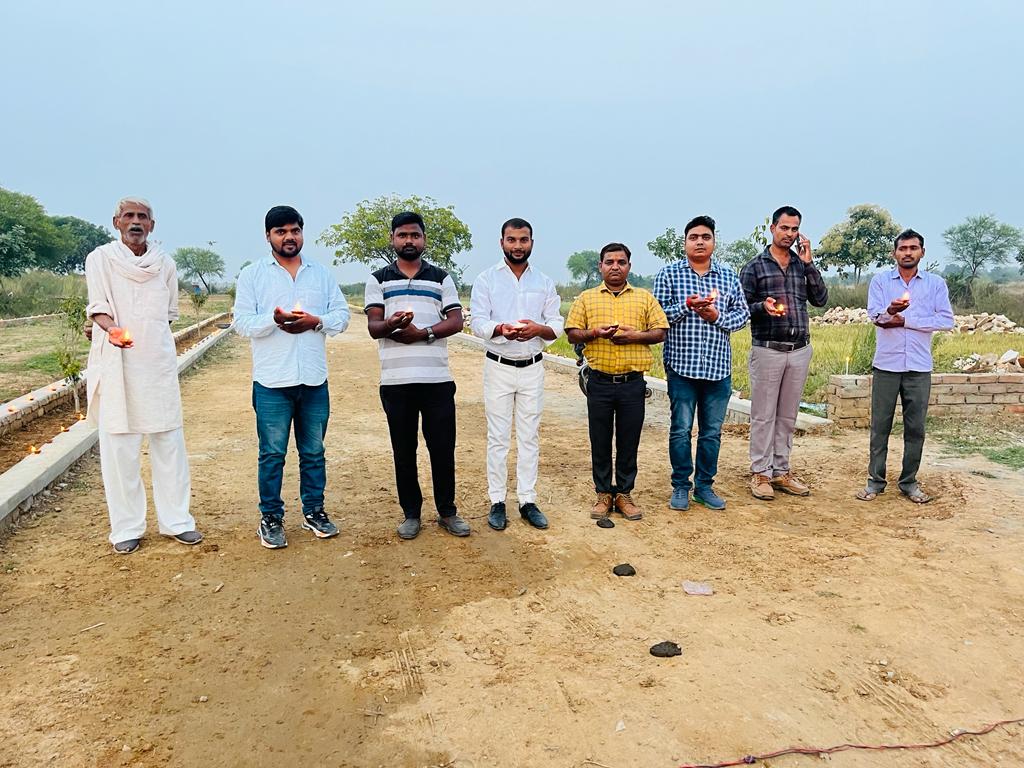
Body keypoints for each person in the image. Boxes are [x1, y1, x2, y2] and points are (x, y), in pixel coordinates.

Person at [84, 197, 202, 554]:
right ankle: (126, 528)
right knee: (120, 448)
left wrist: (146, 335)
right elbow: (98, 307)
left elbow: (168, 314)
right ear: (116, 222)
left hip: (157, 363)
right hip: (116, 363)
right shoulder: (100, 259)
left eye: (143, 217)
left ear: (152, 225)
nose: (136, 222)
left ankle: (177, 521)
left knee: (169, 443)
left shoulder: (165, 263)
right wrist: (111, 330)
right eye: (129, 216)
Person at [233, 205, 351, 549]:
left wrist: (316, 321)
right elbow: (241, 323)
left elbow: (342, 315)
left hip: (313, 380)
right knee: (272, 454)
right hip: (272, 382)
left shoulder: (320, 274)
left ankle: (314, 511)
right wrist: (273, 320)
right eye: (281, 231)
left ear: (302, 232)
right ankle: (270, 517)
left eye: (294, 230)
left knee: (314, 452)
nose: (289, 237)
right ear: (268, 236)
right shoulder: (253, 275)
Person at [365, 211, 470, 540]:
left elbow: (455, 321)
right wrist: (393, 324)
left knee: (443, 449)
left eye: (415, 235)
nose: (409, 240)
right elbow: (374, 327)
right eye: (402, 235)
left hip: (437, 380)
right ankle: (411, 514)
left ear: (424, 239)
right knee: (404, 450)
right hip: (396, 383)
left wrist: (422, 333)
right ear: (392, 239)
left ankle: (447, 512)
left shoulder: (441, 278)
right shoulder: (378, 279)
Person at [469, 218, 563, 531]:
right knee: (498, 438)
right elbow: (477, 322)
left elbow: (556, 323)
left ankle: (527, 500)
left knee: (529, 436)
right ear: (502, 243)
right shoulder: (486, 279)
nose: (518, 246)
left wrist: (538, 329)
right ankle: (497, 500)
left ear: (532, 243)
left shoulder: (544, 282)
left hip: (532, 367)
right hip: (498, 365)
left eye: (524, 240)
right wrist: (500, 328)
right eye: (512, 240)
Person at [653, 217, 749, 511]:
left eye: (705, 237)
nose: (699, 242)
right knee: (681, 429)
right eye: (693, 237)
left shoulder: (728, 276)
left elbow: (743, 316)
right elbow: (657, 316)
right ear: (685, 242)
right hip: (681, 366)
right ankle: (681, 485)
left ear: (713, 242)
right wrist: (687, 306)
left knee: (711, 433)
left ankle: (704, 486)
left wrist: (716, 317)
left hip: (718, 368)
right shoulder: (669, 274)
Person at [566, 243, 668, 520]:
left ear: (629, 267)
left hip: (632, 383)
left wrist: (634, 336)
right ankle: (603, 494)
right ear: (600, 266)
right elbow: (572, 333)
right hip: (598, 382)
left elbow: (660, 331)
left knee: (628, 440)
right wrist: (594, 333)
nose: (615, 267)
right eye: (609, 262)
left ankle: (623, 494)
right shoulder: (586, 298)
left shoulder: (644, 298)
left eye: (621, 262)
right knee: (599, 439)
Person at [857, 229, 953, 504]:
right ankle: (875, 482)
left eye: (913, 248)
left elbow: (946, 320)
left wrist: (907, 321)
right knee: (880, 427)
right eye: (903, 248)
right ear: (894, 253)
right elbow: (876, 317)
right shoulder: (881, 281)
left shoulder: (935, 284)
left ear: (922, 252)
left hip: (919, 367)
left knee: (915, 428)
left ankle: (909, 482)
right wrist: (891, 311)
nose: (908, 253)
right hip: (886, 365)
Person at [739, 205, 828, 501]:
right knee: (763, 415)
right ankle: (760, 473)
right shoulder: (755, 267)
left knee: (788, 416)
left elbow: (820, 299)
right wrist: (761, 307)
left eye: (794, 229)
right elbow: (740, 308)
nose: (789, 234)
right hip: (768, 349)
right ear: (772, 228)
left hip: (799, 349)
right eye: (784, 228)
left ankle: (781, 470)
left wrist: (810, 264)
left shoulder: (802, 266)